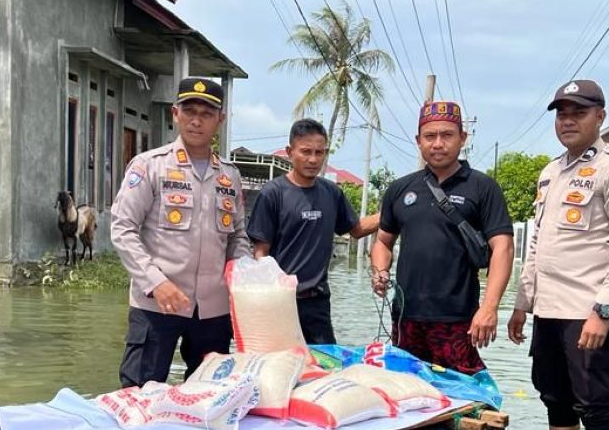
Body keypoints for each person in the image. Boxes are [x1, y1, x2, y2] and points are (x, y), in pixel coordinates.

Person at [507, 79, 609, 430]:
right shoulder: (550, 172)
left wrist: (604, 310)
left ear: (600, 116)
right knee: (555, 399)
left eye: (578, 113)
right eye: (562, 114)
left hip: (588, 313)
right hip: (548, 313)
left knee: (597, 406)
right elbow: (537, 245)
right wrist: (522, 303)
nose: (568, 121)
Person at [110, 76, 251, 386]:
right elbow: (123, 229)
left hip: (212, 310)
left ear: (220, 120)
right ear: (175, 114)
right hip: (157, 303)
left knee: (210, 397)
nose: (196, 121)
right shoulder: (149, 166)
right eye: (189, 111)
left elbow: (238, 235)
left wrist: (242, 275)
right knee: (140, 393)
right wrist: (155, 282)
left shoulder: (230, 176)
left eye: (206, 113)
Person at [371, 101, 514, 374]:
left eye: (447, 135)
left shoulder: (483, 188)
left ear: (462, 138)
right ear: (418, 141)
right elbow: (382, 241)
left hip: (458, 317)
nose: (438, 144)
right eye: (430, 136)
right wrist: (380, 271)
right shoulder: (400, 189)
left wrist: (489, 307)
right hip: (406, 316)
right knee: (408, 391)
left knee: (463, 393)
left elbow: (503, 248)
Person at [246, 118, 380, 344]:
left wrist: (394, 212)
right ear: (290, 152)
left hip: (318, 302)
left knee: (326, 368)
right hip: (281, 302)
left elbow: (355, 230)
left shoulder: (331, 192)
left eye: (320, 152)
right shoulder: (273, 193)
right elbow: (260, 253)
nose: (313, 159)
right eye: (306, 151)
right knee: (281, 368)